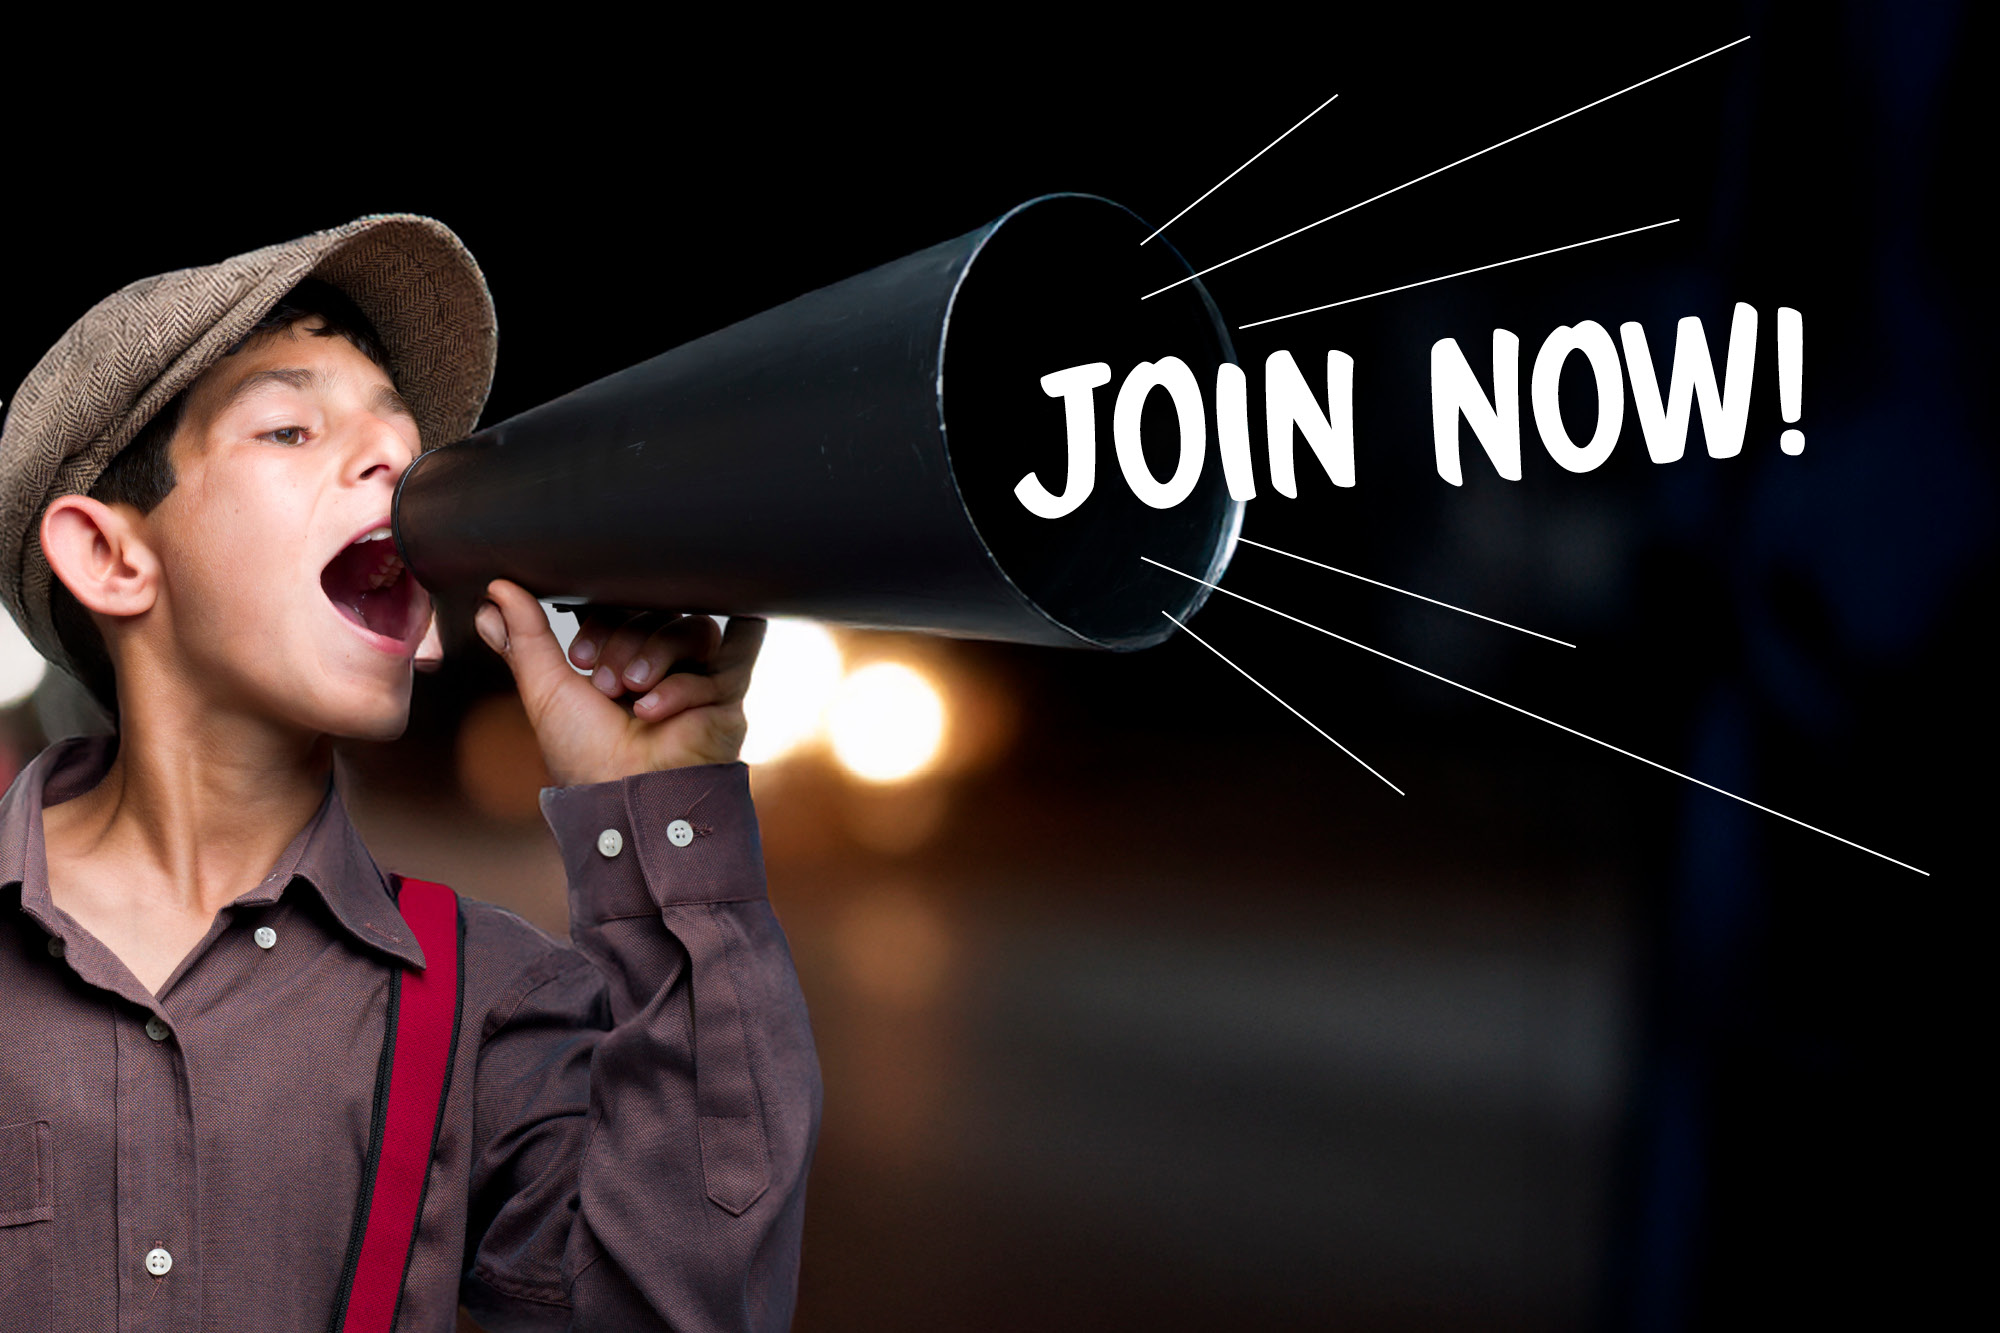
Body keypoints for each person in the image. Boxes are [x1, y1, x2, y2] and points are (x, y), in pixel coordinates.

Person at [0, 215, 821, 1331]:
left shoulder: (489, 1002)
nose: (395, 463)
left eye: (404, 438)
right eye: (290, 429)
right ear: (108, 555)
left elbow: (690, 1305)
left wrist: (657, 807)